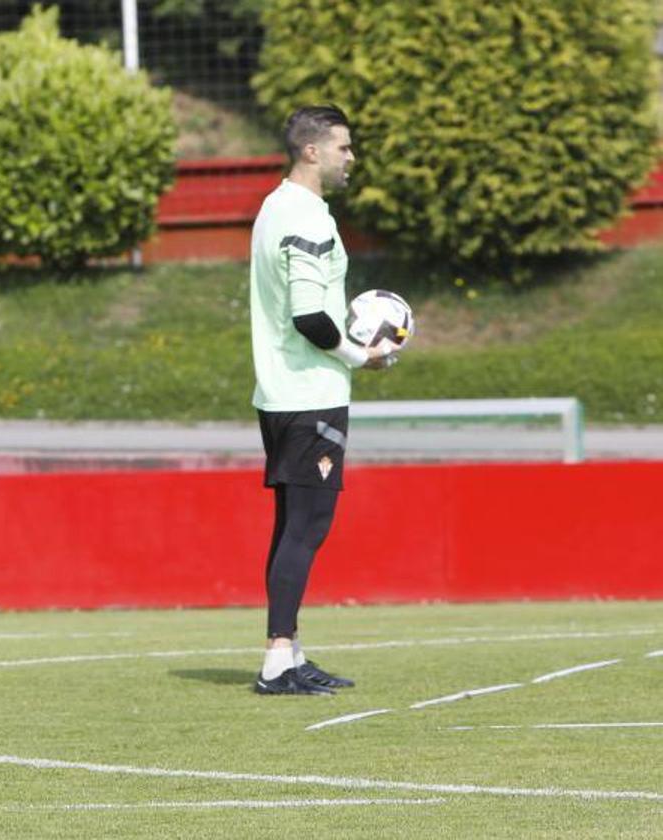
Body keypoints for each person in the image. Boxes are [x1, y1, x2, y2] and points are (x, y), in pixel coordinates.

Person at [249, 105, 397, 696]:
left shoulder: (273, 207)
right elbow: (310, 315)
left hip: (282, 393)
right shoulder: (306, 217)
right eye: (343, 147)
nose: (350, 157)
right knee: (307, 527)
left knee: (292, 527)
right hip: (309, 394)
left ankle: (290, 653)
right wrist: (363, 356)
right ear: (312, 151)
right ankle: (277, 660)